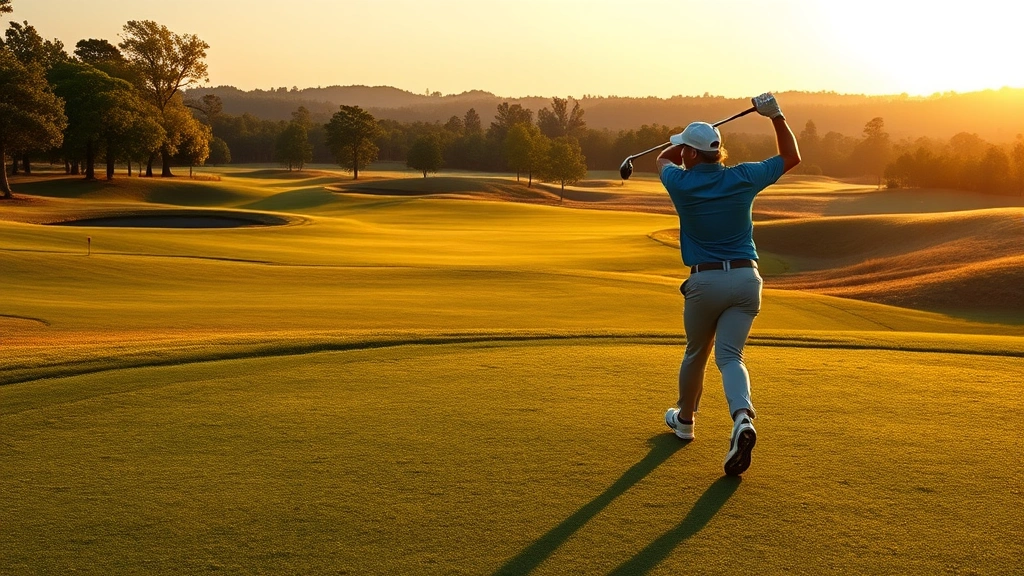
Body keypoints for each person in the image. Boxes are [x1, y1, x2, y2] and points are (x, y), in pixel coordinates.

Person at [657, 92, 800, 476]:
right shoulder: (742, 176)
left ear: (690, 155)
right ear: (718, 153)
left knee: (696, 353)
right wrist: (777, 116)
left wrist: (679, 143)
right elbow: (791, 157)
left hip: (705, 281)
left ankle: (684, 422)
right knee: (731, 357)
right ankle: (742, 418)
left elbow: (662, 159)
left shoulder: (679, 182)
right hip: (746, 278)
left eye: (686, 150)